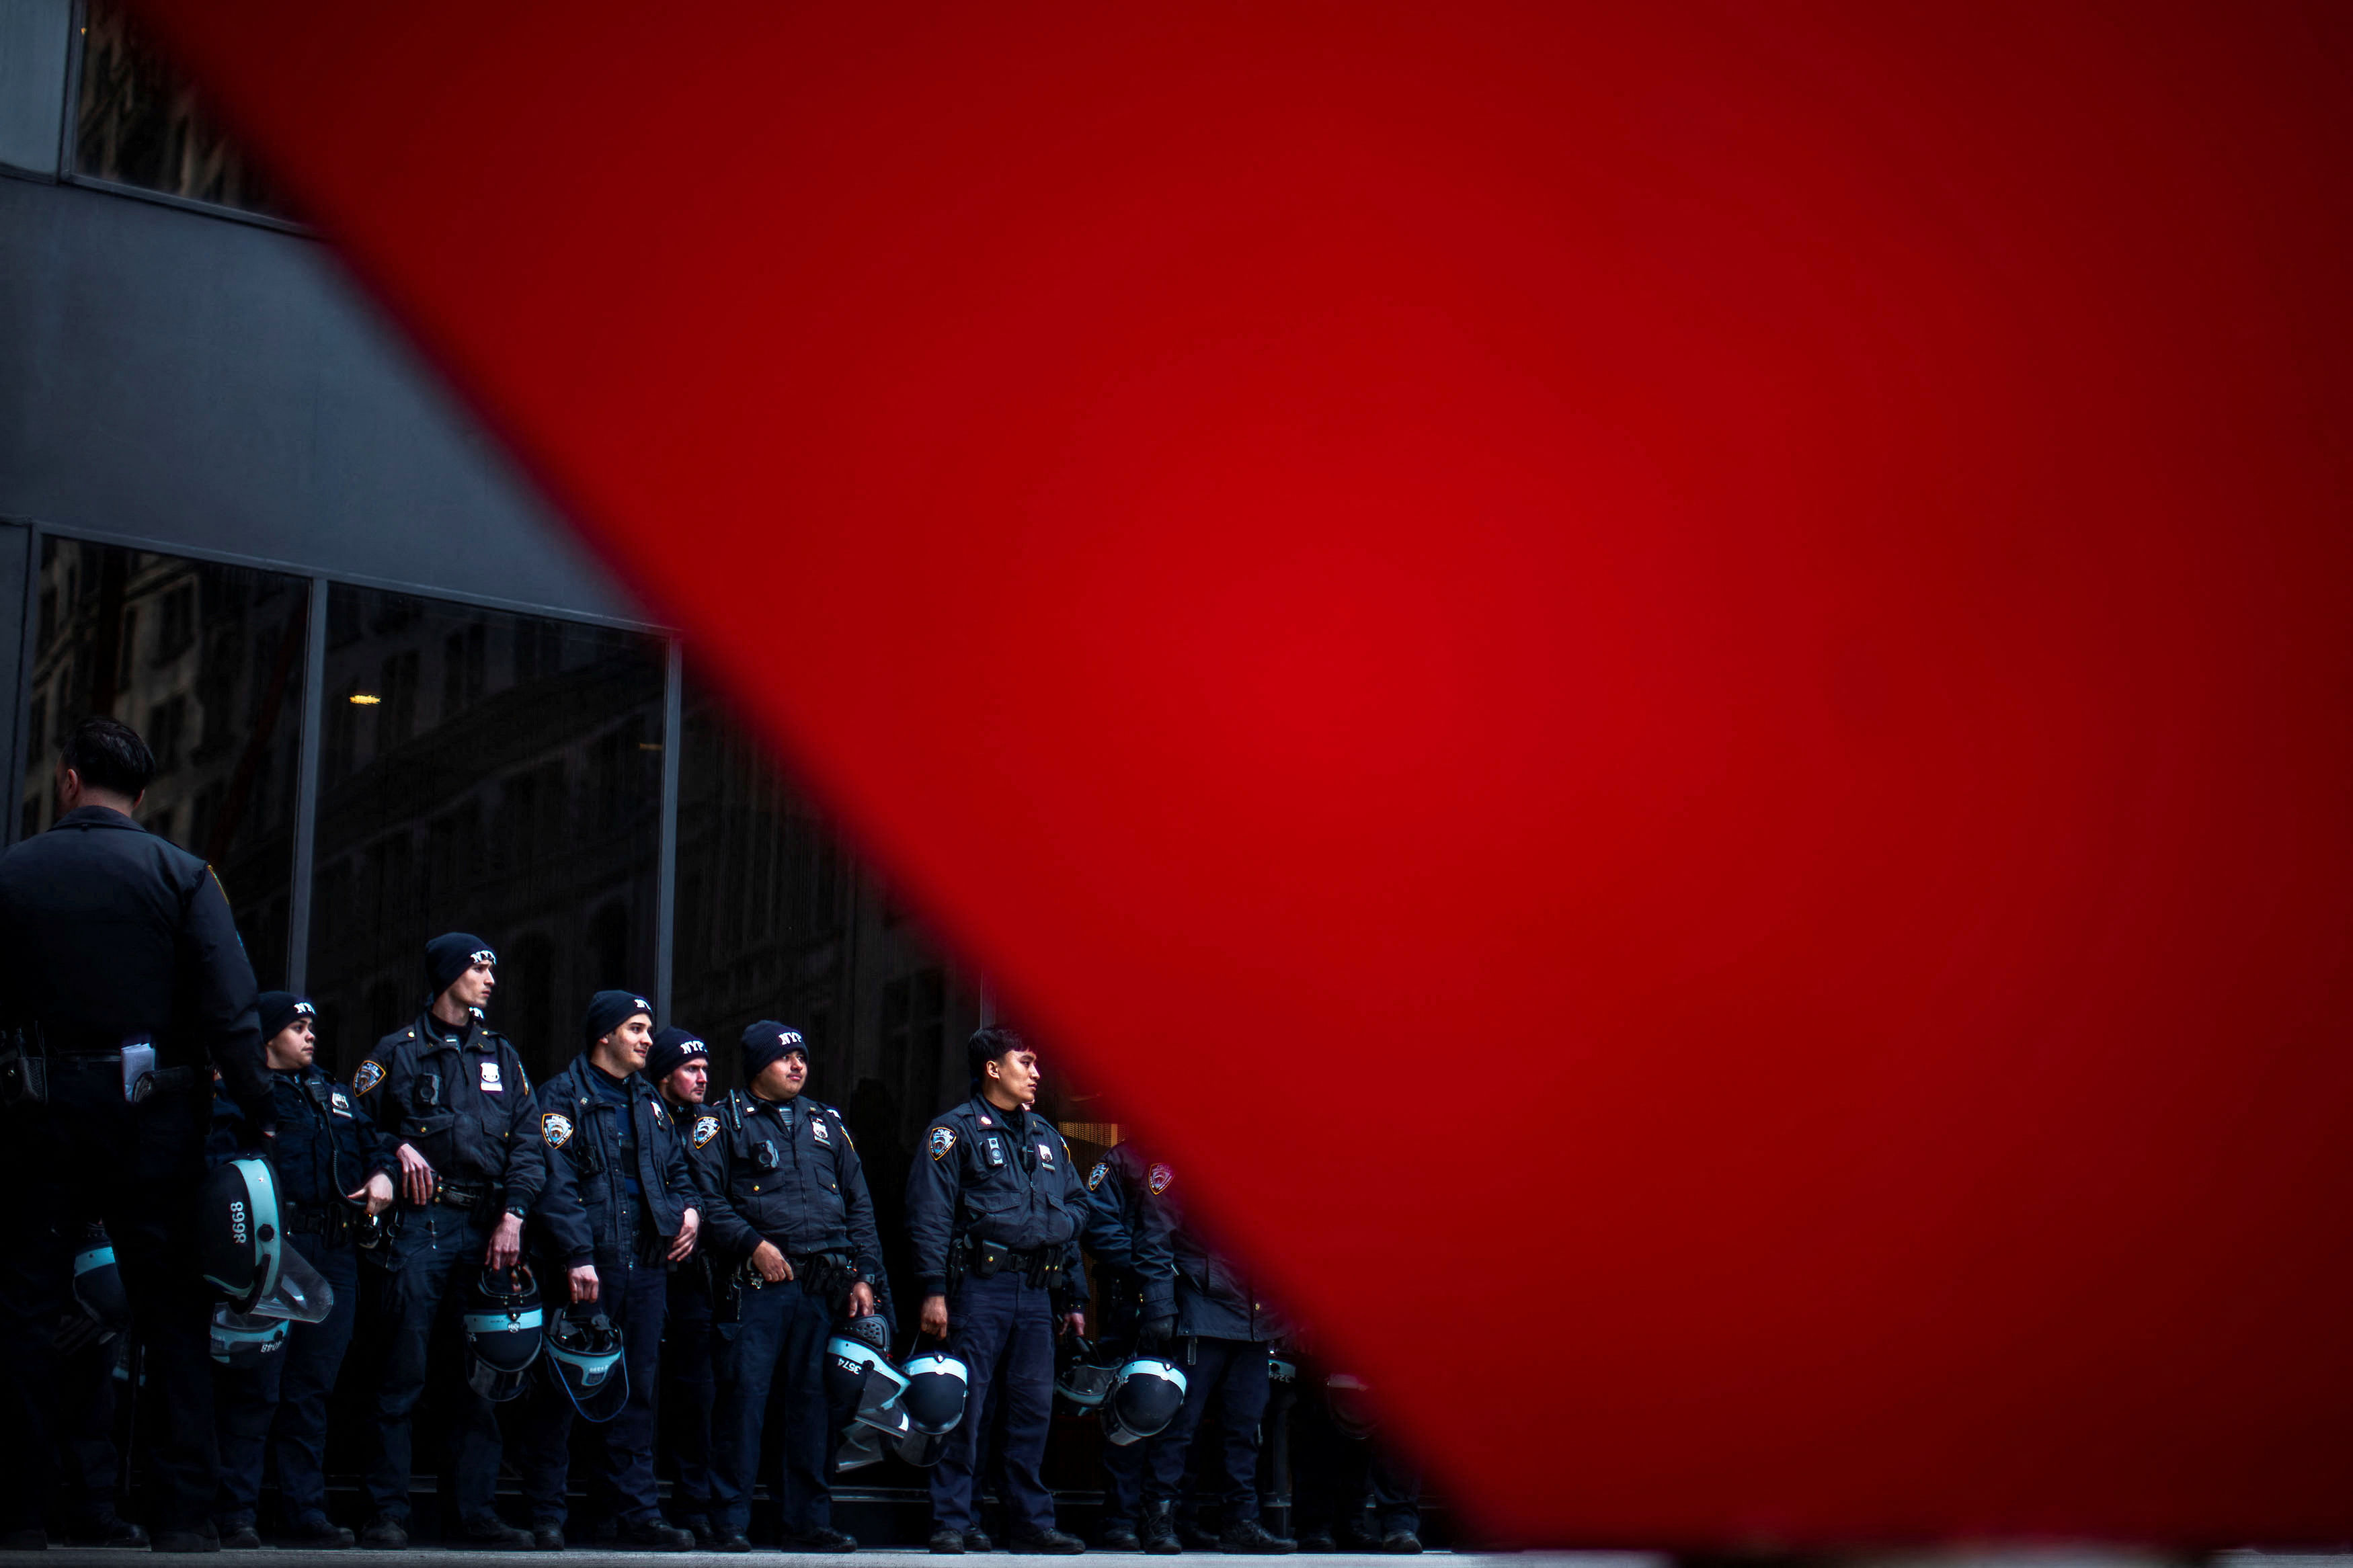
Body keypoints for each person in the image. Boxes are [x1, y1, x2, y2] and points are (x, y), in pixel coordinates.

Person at [0, 716, 272, 1552]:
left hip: (33, 1116)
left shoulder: (14, 870)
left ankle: (17, 1510)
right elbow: (231, 1006)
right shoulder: (184, 873)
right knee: (173, 1317)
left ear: (68, 779)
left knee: (22, 1310)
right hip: (153, 1118)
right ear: (143, 796)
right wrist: (258, 1109)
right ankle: (184, 1515)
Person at [351, 933, 545, 1550]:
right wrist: (392, 1150)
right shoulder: (397, 1053)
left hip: (487, 1230)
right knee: (401, 1373)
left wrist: (514, 1214)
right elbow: (351, 1124)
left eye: (492, 966)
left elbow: (530, 1146)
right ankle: (387, 1511)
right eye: (477, 966)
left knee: (484, 1377)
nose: (489, 977)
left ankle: (477, 1513)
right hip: (419, 1226)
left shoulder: (503, 1055)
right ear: (445, 975)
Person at [209, 993, 397, 1549]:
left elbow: (374, 1141)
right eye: (297, 1026)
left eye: (312, 1024)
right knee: (255, 1386)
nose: (310, 1034)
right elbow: (219, 1167)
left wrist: (384, 1172)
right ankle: (236, 1511)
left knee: (311, 1391)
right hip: (271, 1250)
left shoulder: (332, 1091)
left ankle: (304, 1513)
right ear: (268, 1037)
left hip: (333, 1248)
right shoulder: (242, 1092)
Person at [691, 1022, 885, 1553]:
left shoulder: (826, 1123)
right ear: (758, 1067)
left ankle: (805, 1522)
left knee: (811, 1407)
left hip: (822, 1289)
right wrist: (752, 1243)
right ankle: (729, 1521)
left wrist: (865, 1273)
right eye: (786, 1058)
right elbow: (704, 1199)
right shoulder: (722, 1123)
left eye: (802, 1055)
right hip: (756, 1286)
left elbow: (859, 1204)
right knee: (743, 1405)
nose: (798, 1065)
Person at [518, 991, 701, 1552]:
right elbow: (556, 1187)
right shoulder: (561, 1098)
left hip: (645, 1267)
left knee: (637, 1393)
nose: (649, 1039)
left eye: (648, 1029)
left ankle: (636, 1515)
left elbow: (678, 1173)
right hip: (586, 1269)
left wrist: (690, 1211)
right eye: (637, 1029)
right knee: (562, 1394)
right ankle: (547, 1513)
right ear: (605, 1036)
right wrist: (577, 1255)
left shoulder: (649, 1102)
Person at [906, 1027, 1089, 1555]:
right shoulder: (953, 1131)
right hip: (978, 1289)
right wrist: (933, 1291)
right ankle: (954, 1520)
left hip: (1036, 1292)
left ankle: (1029, 1522)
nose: (1036, 1073)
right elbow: (929, 1217)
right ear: (993, 1068)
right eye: (1025, 1062)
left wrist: (1074, 1297)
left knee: (1031, 1410)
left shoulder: (1048, 1138)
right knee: (967, 1408)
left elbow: (1076, 1209)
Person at [1140, 1160, 1294, 1555]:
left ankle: (1241, 1523)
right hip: (1201, 1308)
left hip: (1255, 1317)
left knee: (1244, 1430)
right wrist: (1160, 1306)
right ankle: (1161, 1522)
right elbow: (1155, 1236)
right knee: (1179, 1426)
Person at [1078, 1142, 1179, 1551]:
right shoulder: (1120, 1160)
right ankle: (1119, 1518)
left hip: (1190, 1306)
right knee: (1130, 1413)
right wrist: (1149, 1271)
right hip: (1131, 1300)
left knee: (1177, 1419)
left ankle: (1169, 1519)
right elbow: (1097, 1227)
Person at [647, 1025, 720, 1546]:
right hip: (645, 1268)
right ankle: (635, 1504)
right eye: (691, 1069)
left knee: (697, 1395)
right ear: (666, 1071)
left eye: (705, 1071)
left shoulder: (714, 1125)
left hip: (694, 1277)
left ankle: (693, 1504)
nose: (701, 1078)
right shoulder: (640, 1112)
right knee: (641, 1391)